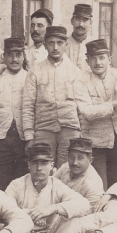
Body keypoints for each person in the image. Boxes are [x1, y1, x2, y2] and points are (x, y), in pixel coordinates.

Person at [22, 25, 83, 167]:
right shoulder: (35, 71)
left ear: (66, 45)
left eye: (60, 43)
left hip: (70, 130)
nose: (55, 47)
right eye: (51, 43)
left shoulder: (75, 72)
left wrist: (81, 133)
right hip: (43, 130)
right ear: (44, 45)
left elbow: (81, 107)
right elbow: (27, 106)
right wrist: (29, 137)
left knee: (67, 171)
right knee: (43, 170)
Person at [74, 38, 117, 188]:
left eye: (101, 57)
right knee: (99, 190)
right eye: (93, 58)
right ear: (87, 61)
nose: (98, 62)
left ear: (109, 59)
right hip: (94, 146)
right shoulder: (81, 82)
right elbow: (87, 112)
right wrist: (113, 103)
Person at [0, 37, 29, 190]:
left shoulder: (30, 78)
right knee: (0, 181)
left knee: (21, 182)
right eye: (10, 55)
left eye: (18, 54)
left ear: (23, 56)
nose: (14, 59)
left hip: (23, 138)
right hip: (0, 139)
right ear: (5, 57)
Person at [53, 137, 105, 211]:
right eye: (71, 157)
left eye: (80, 158)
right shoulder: (65, 167)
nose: (75, 162)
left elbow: (90, 213)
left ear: (90, 160)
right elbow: (50, 185)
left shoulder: (92, 184)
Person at [66, 3, 94, 73]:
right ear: (72, 21)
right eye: (78, 19)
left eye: (85, 20)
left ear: (90, 23)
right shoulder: (63, 44)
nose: (81, 24)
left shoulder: (95, 45)